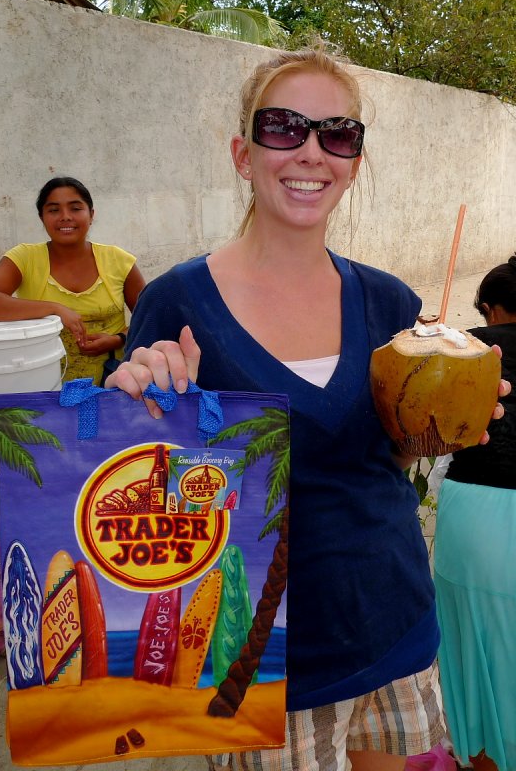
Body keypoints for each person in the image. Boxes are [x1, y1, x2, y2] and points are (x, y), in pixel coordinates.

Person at [106, 47, 506, 771]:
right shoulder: (177, 302)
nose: (312, 152)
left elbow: (391, 459)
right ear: (242, 152)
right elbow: (142, 501)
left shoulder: (388, 302)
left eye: (338, 134)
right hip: (265, 664)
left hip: (396, 623)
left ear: (355, 159)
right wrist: (137, 408)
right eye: (284, 127)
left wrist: (446, 428)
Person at [434, 256, 516, 771]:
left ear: (491, 309)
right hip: (483, 514)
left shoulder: (467, 346)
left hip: (478, 515)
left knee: (479, 657)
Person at [0, 177, 146, 385]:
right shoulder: (24, 258)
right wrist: (54, 309)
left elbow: (151, 320)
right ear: (42, 217)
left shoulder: (118, 260)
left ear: (91, 214)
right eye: (54, 210)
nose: (65, 217)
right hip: (43, 386)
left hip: (113, 385)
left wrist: (118, 339)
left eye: (75, 208)